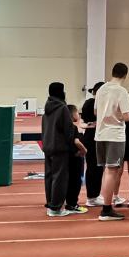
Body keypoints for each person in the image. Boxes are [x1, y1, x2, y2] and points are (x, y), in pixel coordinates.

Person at [93, 63, 129, 221]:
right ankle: (106, 209)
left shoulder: (101, 89)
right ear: (125, 75)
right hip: (115, 135)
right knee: (112, 171)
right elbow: (127, 116)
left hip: (100, 134)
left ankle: (106, 204)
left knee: (106, 171)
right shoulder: (121, 91)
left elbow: (96, 111)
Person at [43, 82, 86, 217]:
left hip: (48, 146)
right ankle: (56, 208)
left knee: (50, 177)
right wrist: (74, 150)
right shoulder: (62, 108)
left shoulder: (47, 108)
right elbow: (68, 132)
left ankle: (51, 204)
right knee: (59, 178)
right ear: (61, 92)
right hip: (60, 148)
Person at [79, 82, 102, 207]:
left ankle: (94, 195)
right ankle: (92, 196)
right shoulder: (96, 104)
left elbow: (82, 122)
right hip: (95, 137)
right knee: (95, 167)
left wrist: (89, 125)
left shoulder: (87, 103)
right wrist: (93, 124)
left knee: (93, 167)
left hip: (89, 136)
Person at [66, 105, 87, 213]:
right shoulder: (72, 128)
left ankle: (69, 202)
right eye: (77, 113)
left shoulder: (64, 127)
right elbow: (76, 142)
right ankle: (72, 204)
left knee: (69, 181)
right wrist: (84, 150)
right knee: (76, 182)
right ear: (72, 114)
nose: (78, 115)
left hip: (66, 158)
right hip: (75, 158)